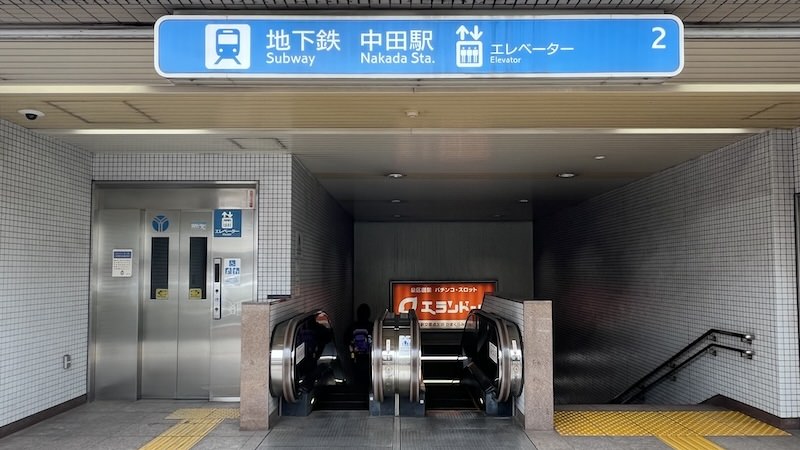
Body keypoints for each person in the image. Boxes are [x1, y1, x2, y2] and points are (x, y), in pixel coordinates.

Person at [346, 303, 373, 386]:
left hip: (356, 358)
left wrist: (352, 353)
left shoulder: (352, 327)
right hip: (369, 359)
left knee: (357, 379)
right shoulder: (372, 327)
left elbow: (346, 341)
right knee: (369, 379)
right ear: (368, 314)